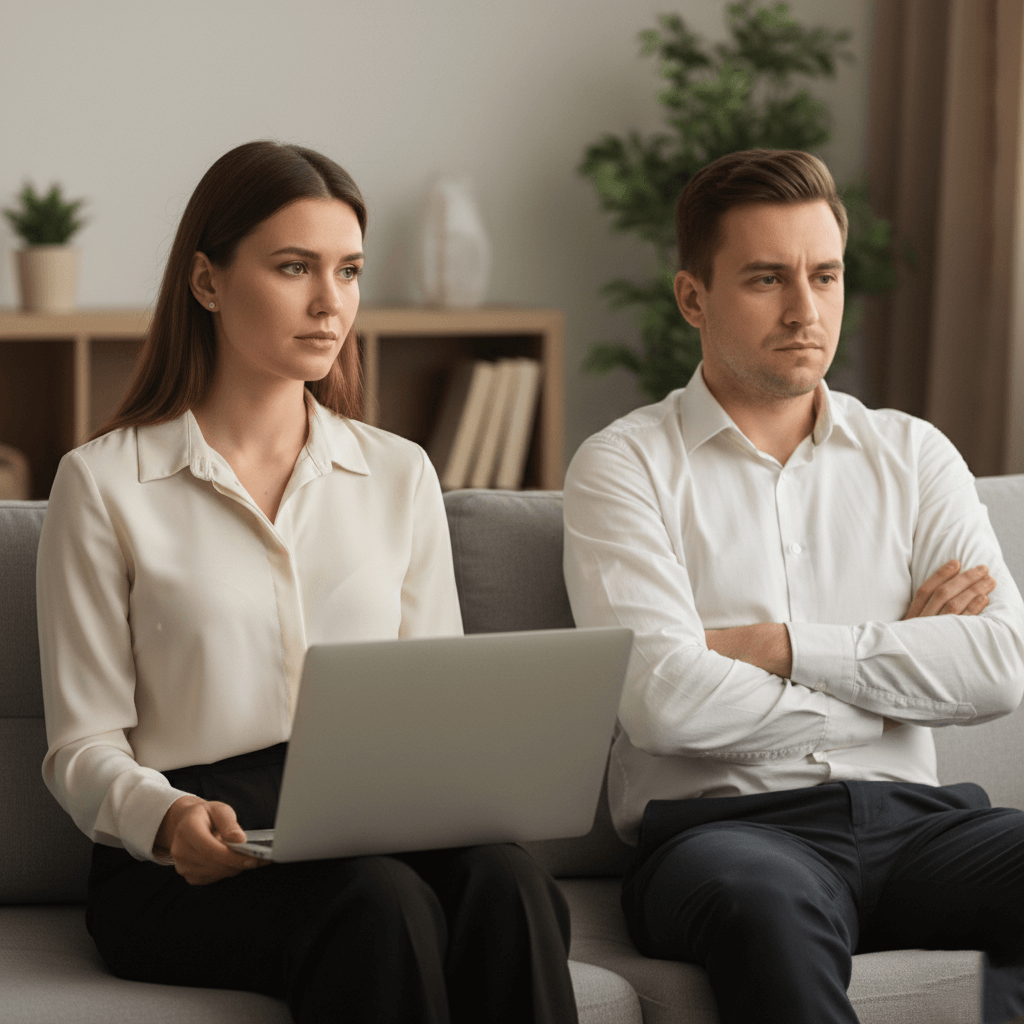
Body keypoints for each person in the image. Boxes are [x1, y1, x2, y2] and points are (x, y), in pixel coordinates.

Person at [36, 140, 578, 1024]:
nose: (332, 304)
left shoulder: (399, 474)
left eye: (350, 271)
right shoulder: (102, 484)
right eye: (295, 268)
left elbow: (438, 704)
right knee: (379, 903)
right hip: (183, 857)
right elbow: (81, 744)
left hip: (364, 821)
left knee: (509, 881)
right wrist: (167, 819)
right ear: (207, 282)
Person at [562, 148, 1024, 1024]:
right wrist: (892, 688)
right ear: (693, 297)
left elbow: (998, 669)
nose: (806, 310)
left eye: (825, 275)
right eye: (768, 279)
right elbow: (663, 704)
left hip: (918, 822)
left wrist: (777, 646)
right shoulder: (624, 465)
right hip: (730, 837)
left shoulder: (915, 455)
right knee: (761, 904)